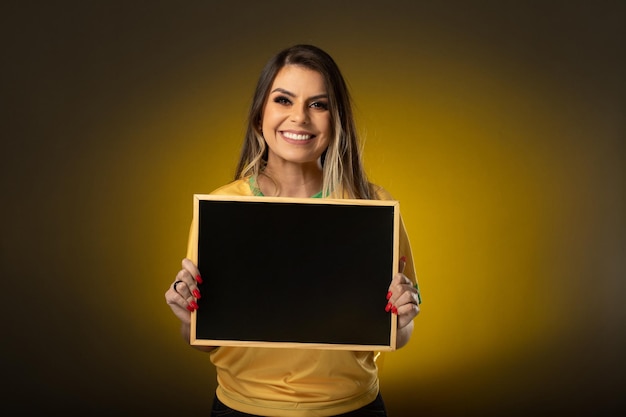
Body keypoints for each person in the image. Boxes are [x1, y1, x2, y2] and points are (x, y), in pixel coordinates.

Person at [165, 44, 421, 417]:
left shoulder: (371, 206)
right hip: (243, 409)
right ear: (259, 116)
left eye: (318, 104)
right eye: (284, 100)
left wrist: (404, 315)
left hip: (352, 409)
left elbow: (397, 333)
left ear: (336, 121)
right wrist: (189, 320)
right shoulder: (223, 208)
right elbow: (203, 341)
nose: (299, 117)